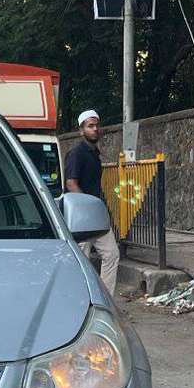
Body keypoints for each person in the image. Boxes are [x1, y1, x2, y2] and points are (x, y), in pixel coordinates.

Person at [65, 109, 119, 294]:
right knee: (81, 261)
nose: (95, 129)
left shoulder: (94, 154)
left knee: (111, 254)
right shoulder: (77, 153)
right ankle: (80, 299)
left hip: (96, 216)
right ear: (81, 131)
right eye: (90, 126)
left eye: (96, 125)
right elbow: (71, 183)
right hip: (81, 218)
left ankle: (106, 300)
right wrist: (86, 209)